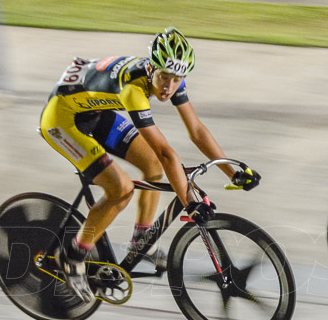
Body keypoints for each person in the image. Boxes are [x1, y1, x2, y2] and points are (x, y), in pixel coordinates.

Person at [40, 27, 261, 302]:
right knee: (120, 190)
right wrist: (190, 201)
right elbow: (167, 151)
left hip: (93, 110)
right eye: (164, 77)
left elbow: (197, 131)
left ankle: (141, 242)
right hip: (62, 120)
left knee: (153, 165)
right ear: (151, 67)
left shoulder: (171, 79)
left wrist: (233, 172)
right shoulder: (134, 89)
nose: (169, 87)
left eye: (177, 78)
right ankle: (72, 255)